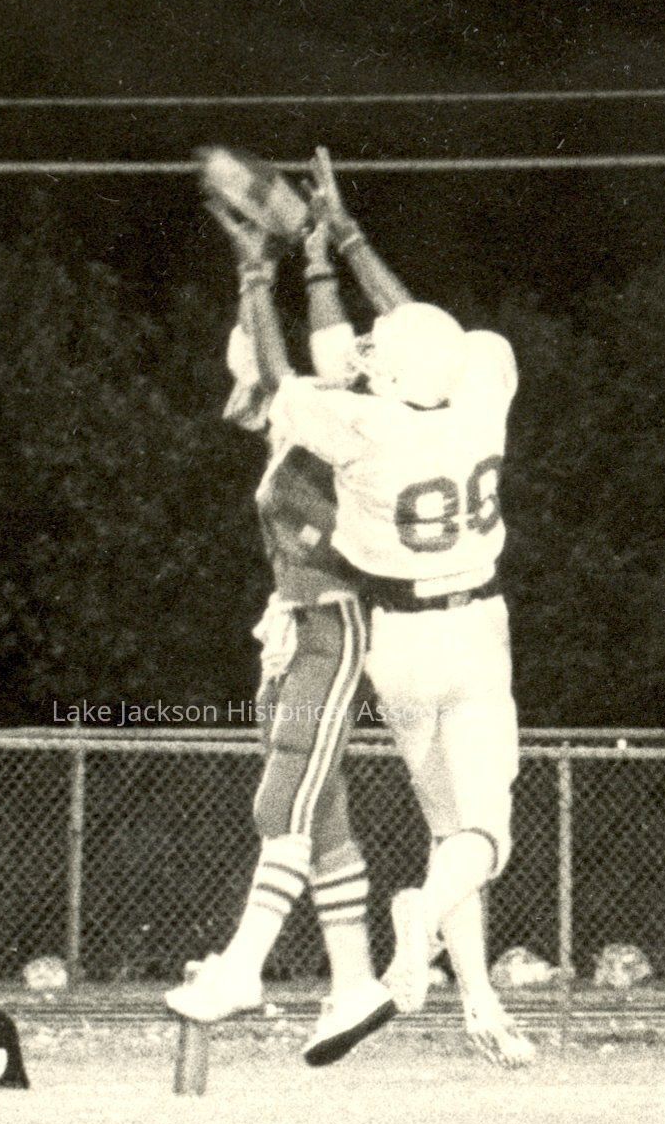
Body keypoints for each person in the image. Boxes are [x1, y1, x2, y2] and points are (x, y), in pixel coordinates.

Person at [270, 150, 536, 1068]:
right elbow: (429, 337)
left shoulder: (368, 428)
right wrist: (350, 239)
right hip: (475, 630)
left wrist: (301, 267)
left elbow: (306, 375)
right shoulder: (482, 390)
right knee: (484, 836)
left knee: (448, 828)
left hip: (395, 641)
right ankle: (418, 918)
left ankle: (479, 1001)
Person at [164, 199, 395, 1067]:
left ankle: (243, 968)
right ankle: (355, 982)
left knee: (283, 799)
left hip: (337, 624)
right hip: (298, 626)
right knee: (321, 814)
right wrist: (315, 257)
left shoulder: (348, 426)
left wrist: (258, 272)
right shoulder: (315, 426)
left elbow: (285, 368)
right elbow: (301, 360)